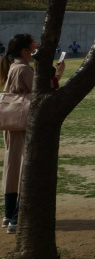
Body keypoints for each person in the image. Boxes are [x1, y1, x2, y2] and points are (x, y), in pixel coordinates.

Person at [1, 33, 64, 234]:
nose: (37, 44)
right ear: (25, 50)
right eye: (33, 42)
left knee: (12, 168)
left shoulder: (15, 66)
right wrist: (59, 75)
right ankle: (17, 219)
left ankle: (9, 214)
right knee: (23, 169)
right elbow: (42, 90)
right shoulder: (23, 69)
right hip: (22, 125)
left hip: (13, 124)